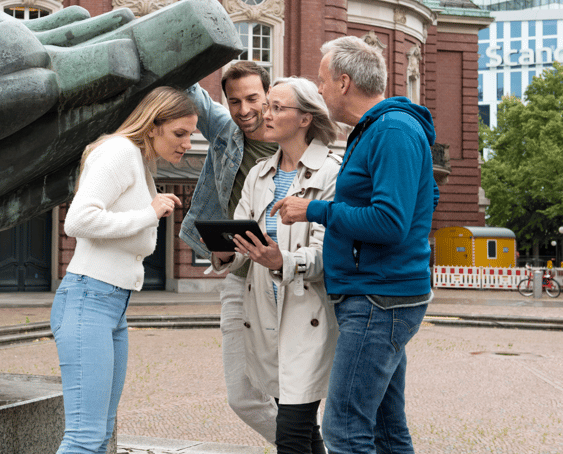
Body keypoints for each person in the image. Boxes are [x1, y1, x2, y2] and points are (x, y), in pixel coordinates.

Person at [273, 36, 439, 454]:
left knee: (344, 430)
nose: (319, 88)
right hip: (380, 294)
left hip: (378, 299)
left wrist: (315, 210)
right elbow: (426, 197)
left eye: (322, 80)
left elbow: (389, 222)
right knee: (386, 430)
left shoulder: (392, 130)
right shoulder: (378, 131)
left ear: (343, 82)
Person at [50, 86, 198, 454]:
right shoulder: (119, 152)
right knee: (85, 437)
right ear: (152, 126)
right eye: (179, 133)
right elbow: (78, 220)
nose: (187, 144)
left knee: (100, 435)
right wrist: (149, 213)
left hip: (112, 306)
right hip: (88, 299)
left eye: (191, 135)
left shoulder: (139, 162)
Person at [209, 77, 341, 454]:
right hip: (264, 312)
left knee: (292, 431)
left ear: (305, 118)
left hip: (307, 313)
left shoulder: (332, 173)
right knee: (299, 427)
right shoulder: (259, 173)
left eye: (276, 107)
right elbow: (243, 241)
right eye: (268, 105)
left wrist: (282, 260)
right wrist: (225, 253)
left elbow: (328, 254)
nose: (265, 114)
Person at [180, 62, 279, 443]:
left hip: (287, 277)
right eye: (234, 101)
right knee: (243, 396)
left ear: (268, 95)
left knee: (294, 393)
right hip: (240, 276)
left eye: (253, 98)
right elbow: (191, 91)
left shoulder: (292, 137)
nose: (244, 110)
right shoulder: (225, 130)